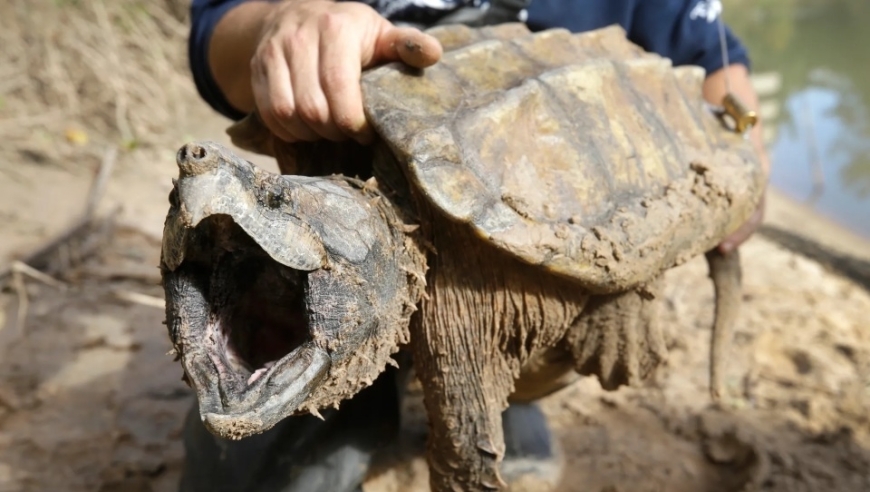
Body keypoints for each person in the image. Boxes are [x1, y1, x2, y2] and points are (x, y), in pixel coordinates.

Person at [182, 1, 769, 491]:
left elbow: (716, 65)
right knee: (247, 467)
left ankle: (516, 387)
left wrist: (745, 155)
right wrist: (277, 23)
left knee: (486, 366)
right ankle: (328, 367)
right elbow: (216, 33)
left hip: (531, 238)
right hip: (352, 118)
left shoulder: (457, 318)